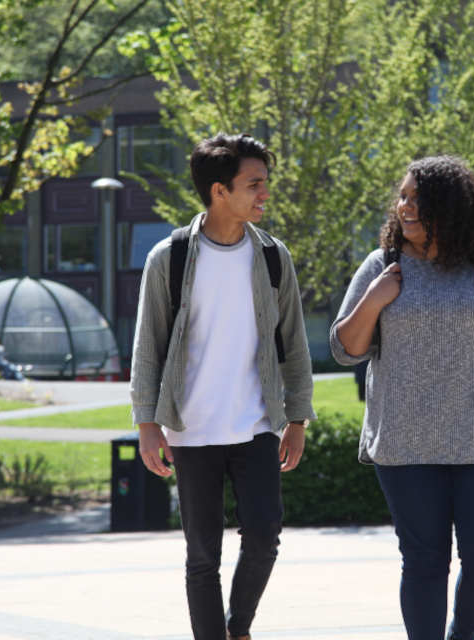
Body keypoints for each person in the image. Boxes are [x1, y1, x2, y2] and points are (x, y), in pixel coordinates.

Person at [330, 156, 474, 640]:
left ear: (449, 208)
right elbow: (346, 348)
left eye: (417, 199)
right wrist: (376, 299)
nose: (405, 207)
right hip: (406, 446)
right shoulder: (382, 266)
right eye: (402, 196)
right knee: (425, 563)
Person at [130, 133, 315, 640]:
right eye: (254, 184)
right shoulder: (168, 259)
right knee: (202, 555)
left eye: (265, 184)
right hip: (192, 430)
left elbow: (293, 344)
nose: (264, 194)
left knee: (264, 537)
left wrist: (296, 420)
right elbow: (148, 347)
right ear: (219, 191)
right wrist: (147, 425)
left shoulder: (274, 258)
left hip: (256, 424)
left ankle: (239, 628)